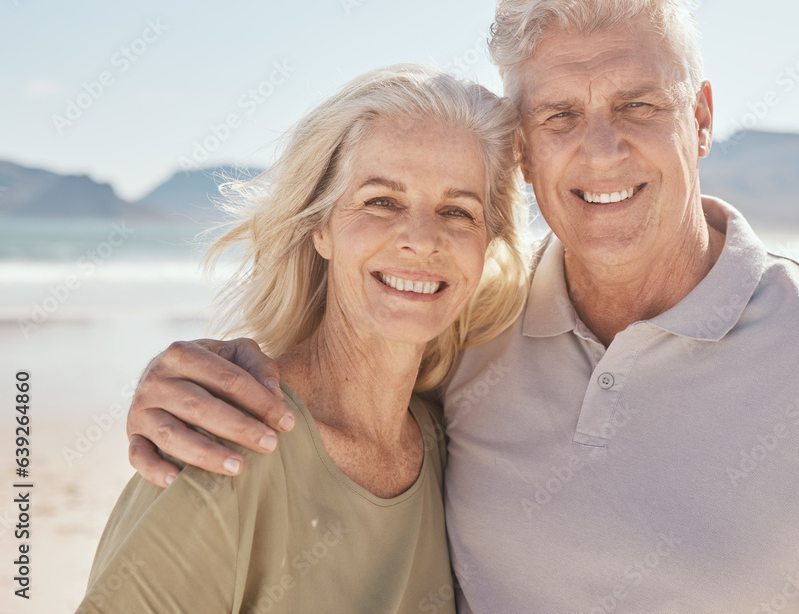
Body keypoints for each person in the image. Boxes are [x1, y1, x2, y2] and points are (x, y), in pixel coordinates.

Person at [121, 0, 799, 612]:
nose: (601, 148)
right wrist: (190, 378)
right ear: (527, 152)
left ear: (699, 119)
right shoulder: (468, 342)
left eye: (638, 105)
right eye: (560, 115)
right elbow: (340, 392)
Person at [77, 64, 529, 613]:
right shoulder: (224, 444)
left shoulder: (449, 442)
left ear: (486, 247)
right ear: (321, 227)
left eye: (457, 211)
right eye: (381, 201)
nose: (421, 239)